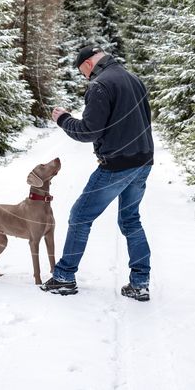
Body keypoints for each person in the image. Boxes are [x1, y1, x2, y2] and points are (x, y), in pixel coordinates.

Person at [39, 45, 154, 301]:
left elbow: (88, 131)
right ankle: (140, 283)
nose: (85, 78)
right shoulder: (134, 79)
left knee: (80, 216)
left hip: (117, 165)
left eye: (82, 73)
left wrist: (63, 119)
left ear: (88, 64)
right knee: (131, 220)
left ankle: (64, 277)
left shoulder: (100, 85)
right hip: (143, 162)